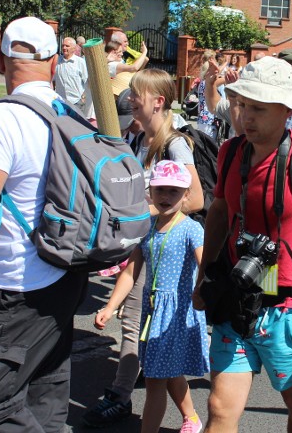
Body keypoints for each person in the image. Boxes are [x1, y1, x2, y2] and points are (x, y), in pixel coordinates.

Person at [193, 56, 292, 433]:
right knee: (218, 406)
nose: (247, 117)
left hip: (289, 306)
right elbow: (218, 213)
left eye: (258, 109)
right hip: (236, 295)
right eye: (244, 105)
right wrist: (204, 277)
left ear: (285, 111)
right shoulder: (231, 151)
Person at [0, 16, 88, 431]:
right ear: (52, 63)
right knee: (45, 389)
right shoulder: (68, 112)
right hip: (66, 269)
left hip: (17, 282)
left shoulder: (3, 117)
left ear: (1, 58)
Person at [84, 68, 204, 427]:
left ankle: (121, 397)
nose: (130, 100)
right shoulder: (139, 137)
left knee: (137, 327)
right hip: (145, 243)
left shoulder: (175, 143)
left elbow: (195, 199)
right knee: (140, 332)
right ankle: (187, 416)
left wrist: (137, 214)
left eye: (136, 94)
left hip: (165, 243)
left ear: (158, 101)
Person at [94, 160, 208, 433]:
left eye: (174, 191)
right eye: (160, 190)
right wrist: (110, 306)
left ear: (186, 195)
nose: (166, 197)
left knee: (156, 378)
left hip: (176, 314)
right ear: (151, 192)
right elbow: (131, 271)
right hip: (153, 311)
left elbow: (205, 266)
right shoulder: (147, 227)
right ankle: (191, 418)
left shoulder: (191, 229)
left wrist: (202, 293)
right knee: (166, 371)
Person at [53, 36, 88, 111]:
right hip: (61, 102)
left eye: (67, 46)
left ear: (74, 48)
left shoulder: (80, 62)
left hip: (77, 102)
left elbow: (87, 81)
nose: (64, 48)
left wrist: (83, 98)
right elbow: (52, 80)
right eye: (63, 46)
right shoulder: (57, 62)